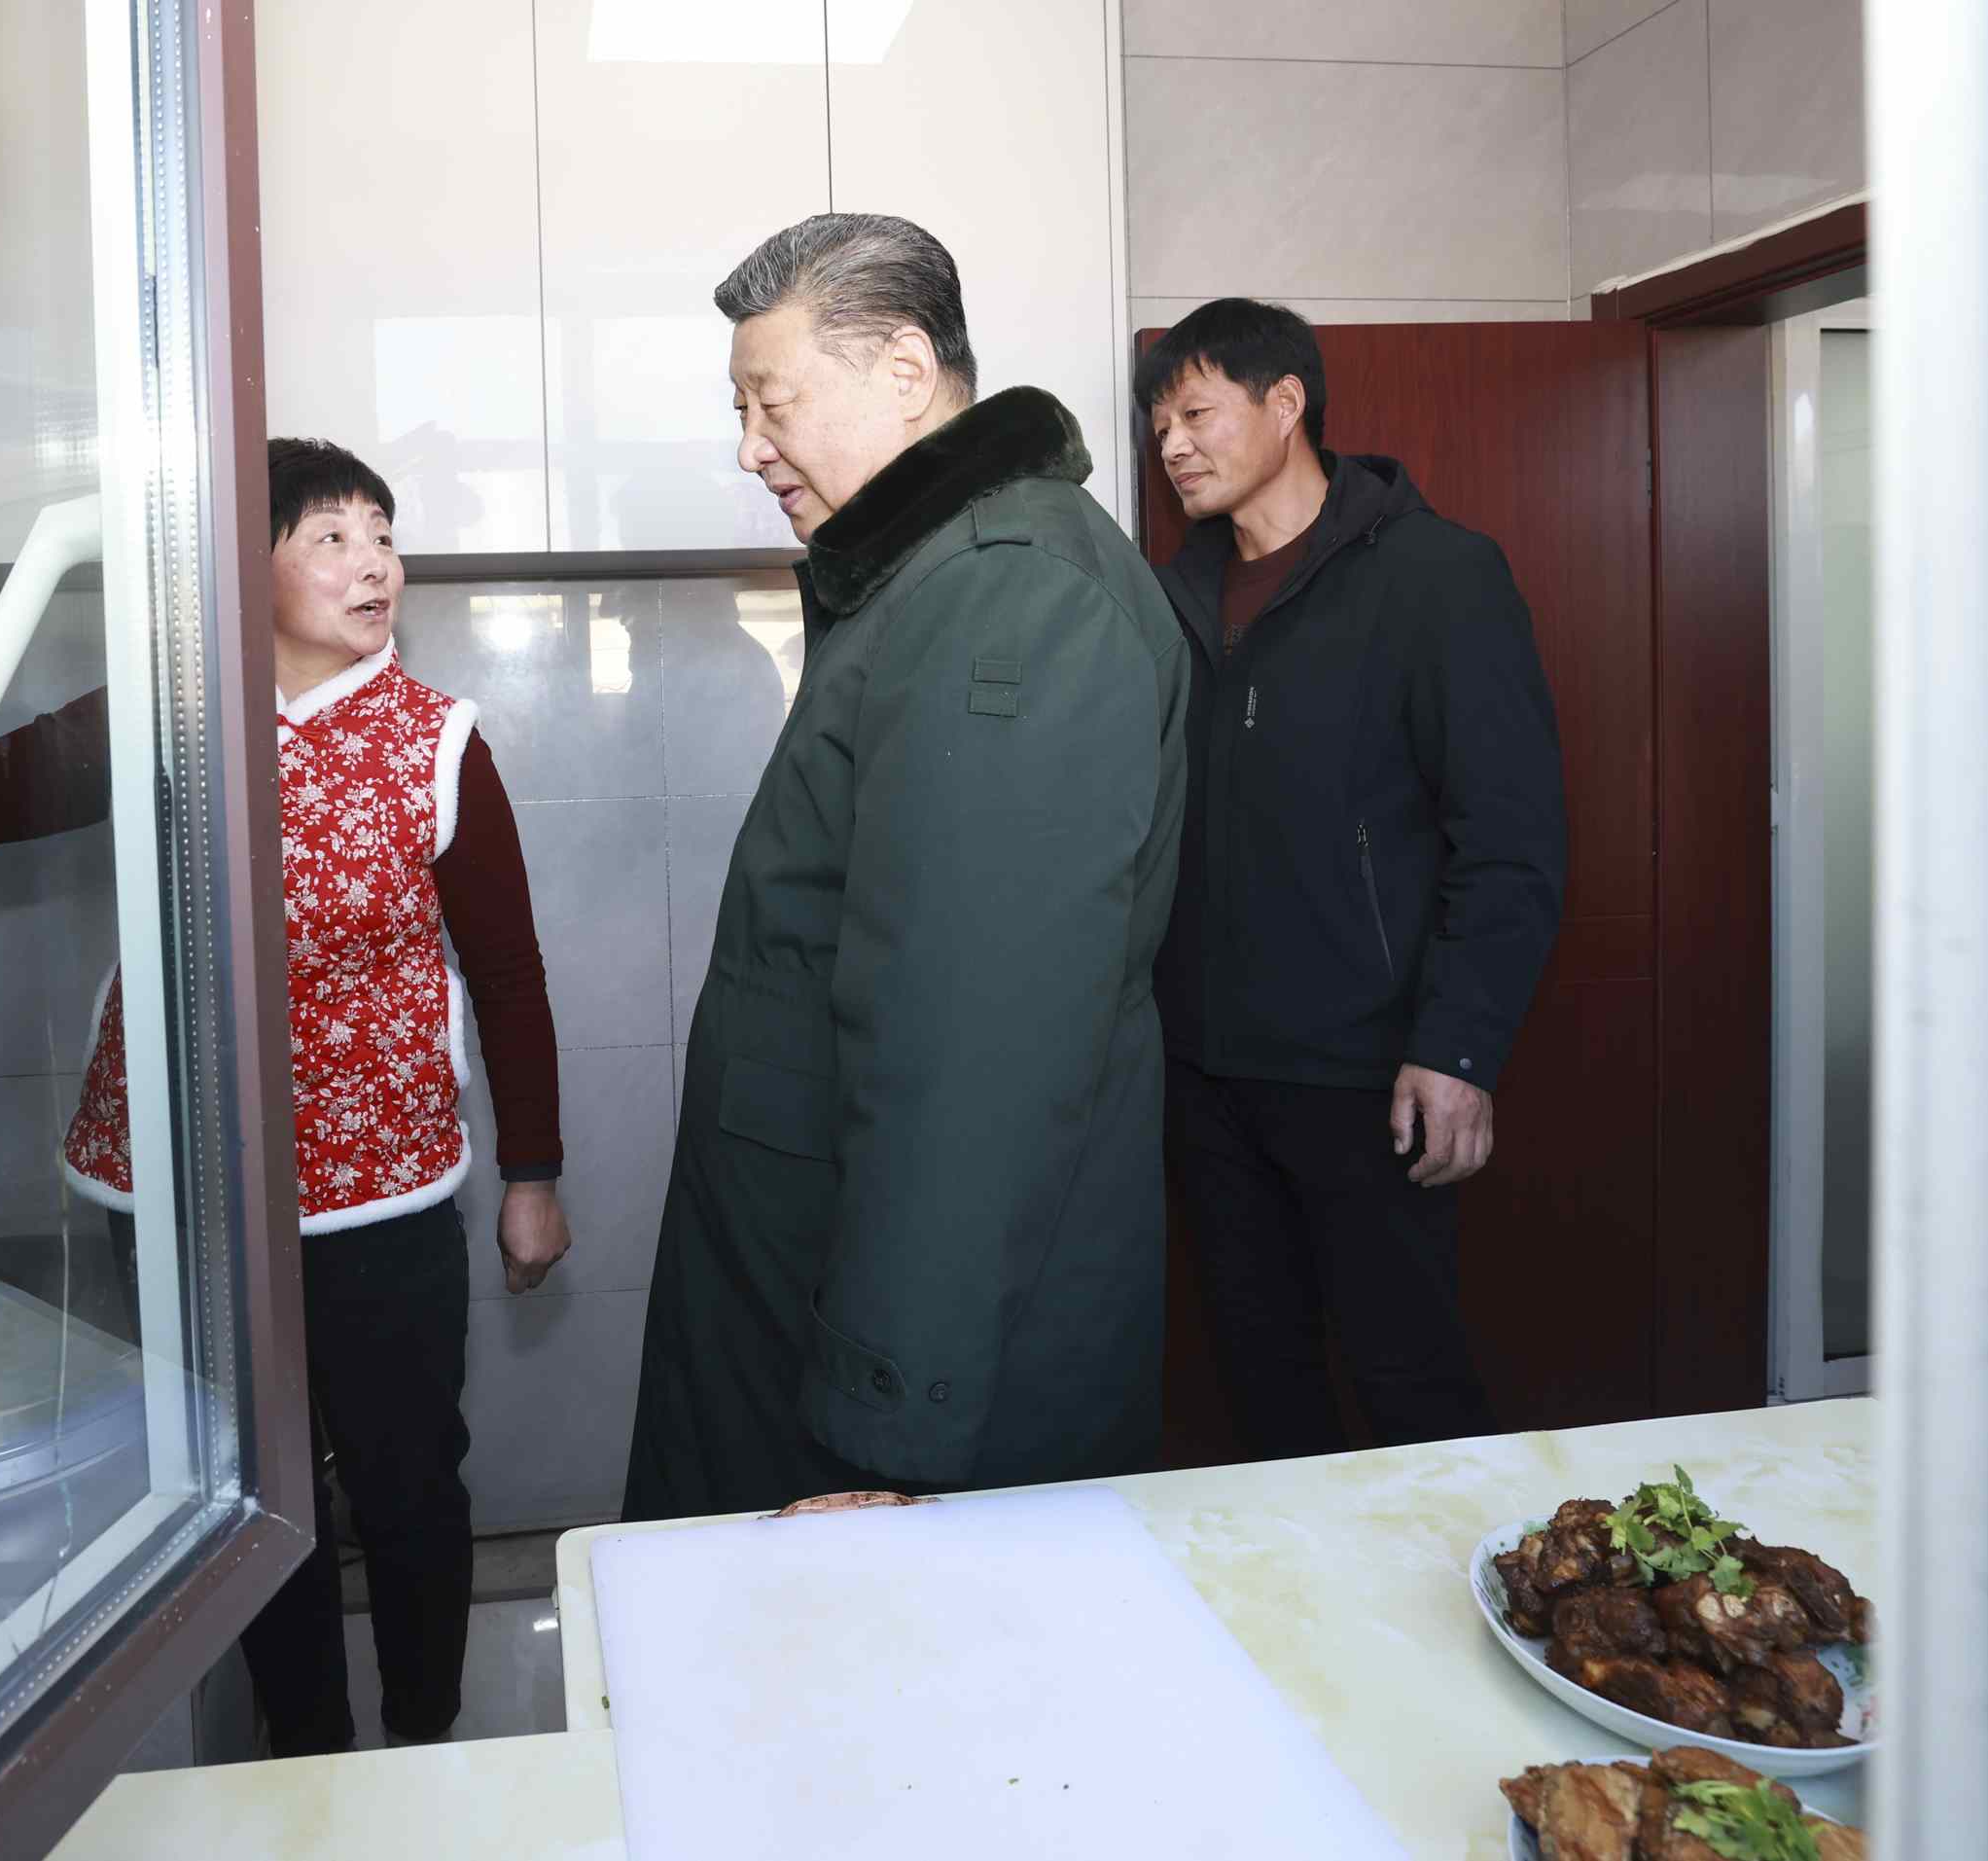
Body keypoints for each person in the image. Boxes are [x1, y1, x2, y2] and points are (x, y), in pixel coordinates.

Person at [0, 437, 574, 1753]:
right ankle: (306, 1758)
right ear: (243, 565)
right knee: (252, 1493)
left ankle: (423, 1739)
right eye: (330, 536)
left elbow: (508, 973)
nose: (374, 565)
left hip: (382, 1194)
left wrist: (532, 1174)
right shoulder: (167, 715)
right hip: (186, 1189)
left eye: (383, 535)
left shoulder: (439, 743)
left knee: (408, 1484)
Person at [620, 213, 1189, 1521]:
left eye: (773, 403)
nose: (750, 446)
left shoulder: (1011, 597)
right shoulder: (928, 574)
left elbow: (973, 1053)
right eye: (739, 409)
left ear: (906, 371)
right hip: (811, 1277)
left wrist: (889, 1432)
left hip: (897, 1380)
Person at [1136, 299, 1567, 1461]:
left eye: (1195, 412)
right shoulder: (1168, 599)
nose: (1172, 444)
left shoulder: (1437, 576)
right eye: (1159, 424)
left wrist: (1460, 1048)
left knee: (1409, 1382)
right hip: (1205, 1076)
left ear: (1286, 404)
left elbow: (1512, 838)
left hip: (1369, 1075)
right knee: (1258, 1389)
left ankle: (1472, 1578)